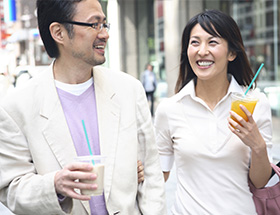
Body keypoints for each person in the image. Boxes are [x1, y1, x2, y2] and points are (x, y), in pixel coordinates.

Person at [0, 0, 166, 214]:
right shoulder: (16, 107)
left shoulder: (129, 90)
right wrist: (55, 185)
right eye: (94, 24)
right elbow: (11, 189)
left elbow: (151, 174)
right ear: (59, 33)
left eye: (104, 24)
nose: (104, 34)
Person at [154, 10, 273, 214]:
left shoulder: (255, 103)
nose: (202, 51)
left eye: (212, 42)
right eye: (195, 42)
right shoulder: (169, 108)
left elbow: (260, 182)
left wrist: (258, 146)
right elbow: (157, 176)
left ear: (232, 53)